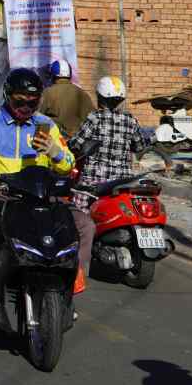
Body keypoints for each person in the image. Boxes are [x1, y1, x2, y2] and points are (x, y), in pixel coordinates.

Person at [0, 67, 78, 318]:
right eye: (20, 101)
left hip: (38, 195)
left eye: (33, 102)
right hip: (0, 192)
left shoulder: (45, 125)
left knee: (83, 225)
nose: (27, 107)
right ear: (7, 95)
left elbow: (68, 164)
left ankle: (70, 289)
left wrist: (54, 151)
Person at [67, 75, 147, 280]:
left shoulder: (94, 118)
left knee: (78, 214)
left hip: (95, 180)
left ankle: (77, 262)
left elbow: (76, 144)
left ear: (99, 97)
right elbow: (139, 147)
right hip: (124, 180)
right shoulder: (130, 120)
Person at [39, 58, 96, 138]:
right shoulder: (82, 93)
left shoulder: (47, 93)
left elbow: (37, 117)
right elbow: (93, 119)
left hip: (55, 142)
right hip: (77, 143)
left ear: (52, 75)